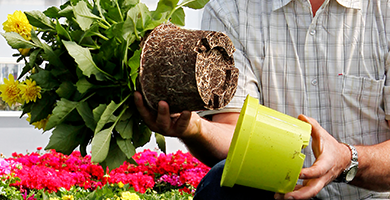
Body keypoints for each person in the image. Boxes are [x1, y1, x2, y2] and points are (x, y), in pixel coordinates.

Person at [134, 0, 390, 199]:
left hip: (371, 196)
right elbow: (235, 133)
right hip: (277, 194)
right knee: (222, 184)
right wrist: (195, 129)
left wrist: (348, 159)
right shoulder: (232, 8)